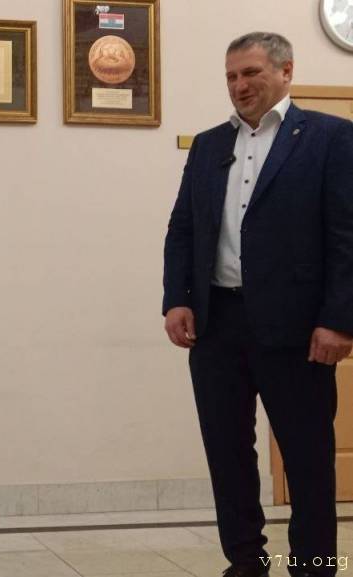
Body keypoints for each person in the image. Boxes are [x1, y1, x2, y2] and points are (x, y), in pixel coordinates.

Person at [163, 32, 353, 577]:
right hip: (216, 325)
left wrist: (339, 320)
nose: (239, 85)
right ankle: (245, 562)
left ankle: (314, 566)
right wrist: (176, 299)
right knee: (227, 454)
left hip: (298, 330)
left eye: (250, 73)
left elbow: (347, 237)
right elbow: (183, 228)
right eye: (231, 76)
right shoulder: (208, 145)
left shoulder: (331, 138)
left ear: (286, 71)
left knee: (308, 459)